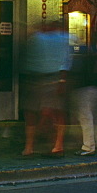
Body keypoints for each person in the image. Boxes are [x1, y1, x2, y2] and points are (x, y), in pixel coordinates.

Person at [19, 19, 71, 158]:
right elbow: (66, 61)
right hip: (45, 78)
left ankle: (39, 145)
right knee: (47, 112)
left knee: (43, 113)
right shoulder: (59, 39)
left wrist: (61, 80)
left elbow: (65, 61)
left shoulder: (50, 38)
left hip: (43, 78)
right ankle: (51, 144)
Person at [72, 40, 97, 156]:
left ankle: (88, 146)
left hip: (84, 87)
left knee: (86, 117)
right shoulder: (91, 53)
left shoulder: (80, 55)